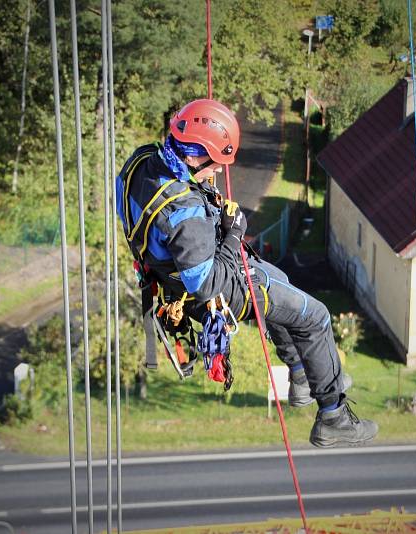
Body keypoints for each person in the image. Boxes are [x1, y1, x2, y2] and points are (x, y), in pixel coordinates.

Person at [116, 98, 377, 448]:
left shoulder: (142, 161)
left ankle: (301, 374)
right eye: (215, 164)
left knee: (282, 286)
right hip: (210, 287)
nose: (218, 172)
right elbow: (209, 285)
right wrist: (234, 232)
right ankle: (333, 416)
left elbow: (152, 217)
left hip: (174, 277)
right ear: (194, 155)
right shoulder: (186, 214)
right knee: (316, 316)